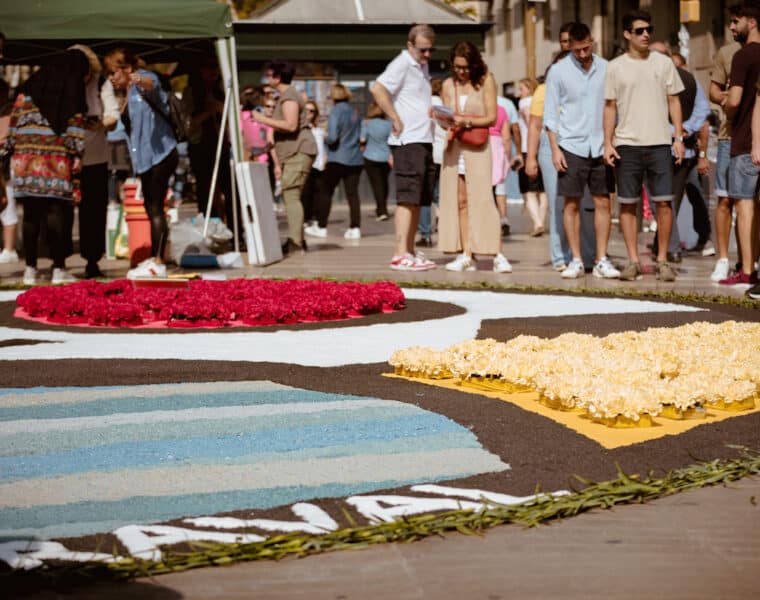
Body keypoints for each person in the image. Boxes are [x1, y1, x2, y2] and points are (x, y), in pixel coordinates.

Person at [603, 10, 685, 282]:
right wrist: (607, 142)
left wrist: (678, 138)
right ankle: (633, 261)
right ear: (627, 34)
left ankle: (662, 260)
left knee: (664, 204)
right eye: (639, 30)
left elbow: (674, 101)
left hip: (661, 143)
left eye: (648, 29)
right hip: (627, 144)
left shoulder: (663, 63)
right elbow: (610, 106)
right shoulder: (615, 67)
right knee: (627, 205)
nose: (646, 34)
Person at [3, 49, 88, 285]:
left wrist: (9, 149)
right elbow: (76, 123)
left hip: (25, 159)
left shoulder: (28, 89)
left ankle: (30, 269)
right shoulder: (72, 87)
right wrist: (77, 153)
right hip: (56, 159)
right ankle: (58, 268)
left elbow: (14, 121)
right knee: (56, 212)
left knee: (31, 214)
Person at [543, 23, 620, 280]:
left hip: (601, 144)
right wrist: (555, 150)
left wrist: (611, 141)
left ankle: (601, 258)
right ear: (569, 47)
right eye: (577, 51)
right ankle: (575, 258)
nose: (583, 54)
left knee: (603, 202)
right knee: (571, 203)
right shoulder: (558, 71)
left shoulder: (608, 68)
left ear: (593, 41)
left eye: (586, 48)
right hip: (571, 145)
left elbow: (613, 107)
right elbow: (550, 115)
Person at [105, 47, 179, 278]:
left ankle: (159, 261)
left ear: (126, 69)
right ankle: (154, 258)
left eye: (112, 73)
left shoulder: (144, 82)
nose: (110, 78)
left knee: (156, 207)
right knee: (150, 207)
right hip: (144, 159)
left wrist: (139, 79)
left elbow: (153, 86)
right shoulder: (127, 92)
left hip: (161, 154)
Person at [438, 41, 511, 274]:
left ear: (474, 64)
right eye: (457, 67)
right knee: (459, 201)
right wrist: (442, 119)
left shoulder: (485, 81)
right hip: (454, 147)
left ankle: (496, 252)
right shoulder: (448, 85)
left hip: (477, 147)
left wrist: (465, 120)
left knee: (483, 199)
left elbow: (491, 117)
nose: (461, 71)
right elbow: (448, 116)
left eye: (466, 67)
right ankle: (466, 253)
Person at [371, 24, 437, 271]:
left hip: (423, 138)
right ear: (410, 45)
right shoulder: (402, 63)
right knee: (407, 197)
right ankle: (399, 253)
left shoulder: (420, 65)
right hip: (408, 140)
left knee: (419, 198)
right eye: (423, 50)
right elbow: (378, 88)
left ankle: (409, 250)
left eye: (431, 50)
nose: (427, 55)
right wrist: (395, 117)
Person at [648, 42, 712, 265]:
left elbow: (703, 112)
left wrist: (679, 130)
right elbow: (703, 110)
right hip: (680, 149)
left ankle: (671, 247)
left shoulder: (672, 79)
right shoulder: (687, 78)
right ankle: (664, 246)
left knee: (664, 202)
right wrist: (685, 129)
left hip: (663, 148)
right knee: (668, 200)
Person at [250, 60, 316, 255]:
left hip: (299, 151)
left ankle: (295, 244)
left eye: (269, 75)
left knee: (291, 195)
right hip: (294, 151)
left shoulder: (289, 97)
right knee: (291, 195)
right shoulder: (287, 96)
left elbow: (290, 125)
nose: (267, 78)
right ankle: (297, 241)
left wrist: (262, 119)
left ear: (278, 78)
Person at [70, 44, 119, 279]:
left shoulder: (101, 83)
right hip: (67, 157)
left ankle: (92, 259)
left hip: (95, 156)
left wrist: (100, 123)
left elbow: (113, 115)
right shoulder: (65, 83)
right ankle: (59, 258)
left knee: (94, 211)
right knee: (62, 211)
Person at [721, 1, 760, 286]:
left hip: (746, 140)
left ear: (752, 21)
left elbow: (734, 100)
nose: (732, 27)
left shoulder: (742, 56)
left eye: (736, 21)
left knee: (744, 206)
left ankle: (747, 269)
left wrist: (724, 102)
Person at [525, 53, 572, 272]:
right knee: (557, 203)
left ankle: (581, 254)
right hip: (548, 144)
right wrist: (530, 158)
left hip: (577, 143)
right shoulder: (543, 90)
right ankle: (560, 256)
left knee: (578, 203)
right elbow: (535, 126)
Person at [709, 15, 743, 282]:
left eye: (735, 21)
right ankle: (722, 259)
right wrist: (731, 97)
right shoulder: (726, 52)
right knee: (725, 199)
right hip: (728, 135)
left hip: (754, 138)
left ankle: (748, 261)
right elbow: (713, 91)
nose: (730, 27)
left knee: (751, 203)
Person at [307, 84, 363, 240]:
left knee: (325, 191)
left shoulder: (336, 112)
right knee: (353, 194)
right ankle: (355, 227)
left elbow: (332, 138)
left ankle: (321, 226)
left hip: (338, 157)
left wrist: (324, 137)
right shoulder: (355, 112)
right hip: (355, 158)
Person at [185, 54, 233, 224]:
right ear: (200, 70)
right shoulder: (192, 92)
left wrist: (219, 107)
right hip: (200, 145)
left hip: (222, 145)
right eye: (210, 67)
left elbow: (233, 117)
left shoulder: (222, 90)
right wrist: (208, 112)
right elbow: (188, 124)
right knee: (205, 190)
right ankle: (210, 226)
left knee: (229, 189)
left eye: (216, 67)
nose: (214, 71)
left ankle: (235, 231)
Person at [517, 77, 547, 236]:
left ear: (528, 88)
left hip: (528, 148)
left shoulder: (524, 103)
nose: (519, 93)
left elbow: (531, 122)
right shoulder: (540, 100)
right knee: (543, 191)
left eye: (521, 89)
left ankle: (537, 223)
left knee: (528, 190)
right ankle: (540, 222)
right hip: (543, 147)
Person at [418, 77, 445, 246]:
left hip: (429, 153)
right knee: (442, 195)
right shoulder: (445, 106)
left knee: (425, 195)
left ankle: (425, 233)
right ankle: (444, 224)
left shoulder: (425, 106)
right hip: (444, 154)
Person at [360, 101, 392, 223]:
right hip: (386, 157)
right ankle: (382, 207)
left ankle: (382, 211)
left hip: (370, 157)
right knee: (384, 183)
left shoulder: (366, 123)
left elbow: (362, 139)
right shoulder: (389, 124)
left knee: (376, 184)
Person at [496, 95, 523, 236]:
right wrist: (517, 152)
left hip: (482, 148)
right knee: (500, 186)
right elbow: (515, 129)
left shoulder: (476, 99)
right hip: (500, 149)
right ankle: (503, 218)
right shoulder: (506, 104)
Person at [0, 77, 18, 264]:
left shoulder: (10, 112)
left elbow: (6, 137)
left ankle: (10, 248)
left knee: (7, 203)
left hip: (7, 165)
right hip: (6, 164)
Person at [300, 99, 325, 229]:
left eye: (312, 111)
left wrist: (324, 161)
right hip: (305, 164)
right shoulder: (300, 128)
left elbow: (322, 148)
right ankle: (305, 218)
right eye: (307, 110)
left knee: (318, 193)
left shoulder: (318, 130)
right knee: (305, 193)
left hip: (318, 165)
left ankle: (315, 217)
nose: (309, 113)